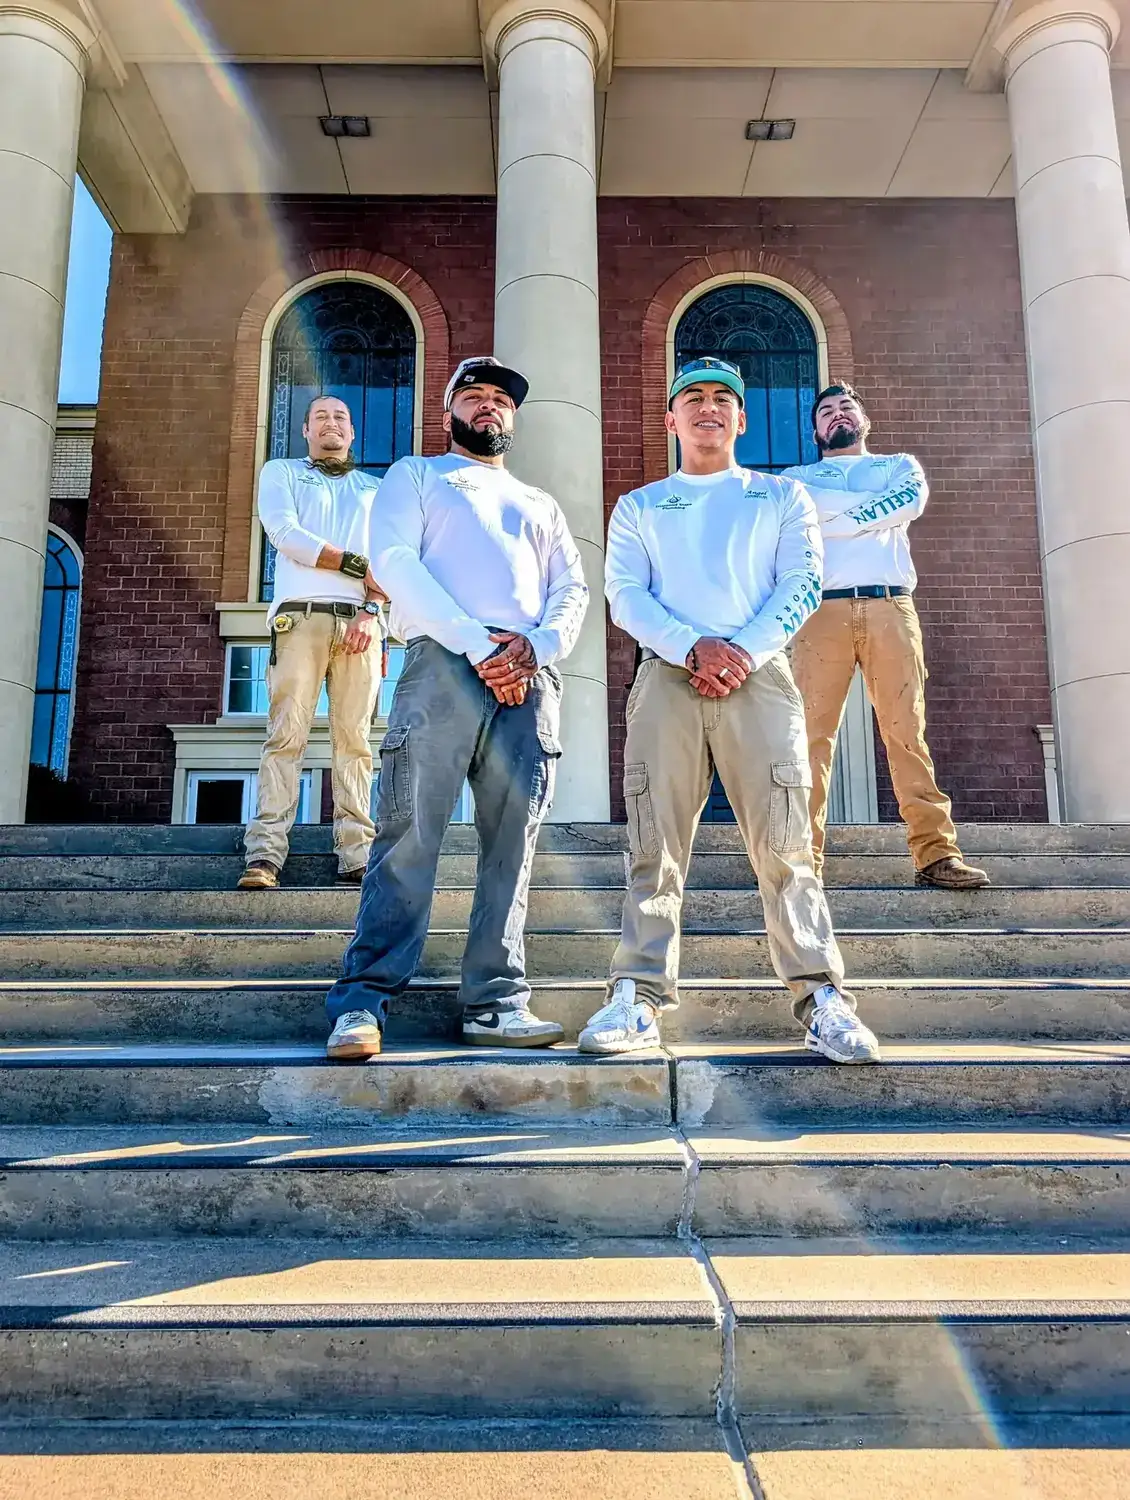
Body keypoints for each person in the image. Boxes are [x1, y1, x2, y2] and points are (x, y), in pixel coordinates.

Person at [580, 356, 880, 1065]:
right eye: (694, 398)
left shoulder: (779, 497)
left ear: (742, 419)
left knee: (785, 847)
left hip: (761, 678)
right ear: (672, 420)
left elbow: (803, 583)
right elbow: (625, 595)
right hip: (666, 680)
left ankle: (821, 997)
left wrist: (740, 652)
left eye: (723, 398)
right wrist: (693, 649)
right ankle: (637, 995)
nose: (709, 408)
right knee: (654, 849)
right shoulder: (643, 505)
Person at [323, 356, 589, 1060]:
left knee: (513, 846)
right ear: (450, 411)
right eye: (474, 395)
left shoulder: (541, 503)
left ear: (514, 417)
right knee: (408, 833)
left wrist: (531, 651)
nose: (488, 406)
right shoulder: (417, 475)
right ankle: (363, 1003)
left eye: (501, 398)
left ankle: (496, 1002)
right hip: (441, 665)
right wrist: (479, 645)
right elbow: (396, 563)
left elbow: (572, 591)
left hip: (529, 683)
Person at [783, 383, 989, 890]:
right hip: (818, 611)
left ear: (863, 419)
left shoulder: (899, 465)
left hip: (890, 605)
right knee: (807, 739)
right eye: (826, 411)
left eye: (845, 407)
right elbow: (795, 520)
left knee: (906, 732)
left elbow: (907, 504)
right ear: (815, 429)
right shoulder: (795, 478)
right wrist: (865, 515)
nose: (836, 416)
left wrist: (832, 519)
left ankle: (936, 854)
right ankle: (802, 864)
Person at [239, 395, 387, 891]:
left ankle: (357, 853)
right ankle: (265, 854)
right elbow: (285, 532)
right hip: (299, 619)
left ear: (352, 432)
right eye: (321, 416)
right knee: (286, 736)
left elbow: (390, 560)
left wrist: (372, 608)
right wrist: (358, 566)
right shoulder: (282, 472)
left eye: (340, 416)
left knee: (356, 742)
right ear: (306, 429)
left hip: (360, 623)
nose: (331, 423)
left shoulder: (375, 488)